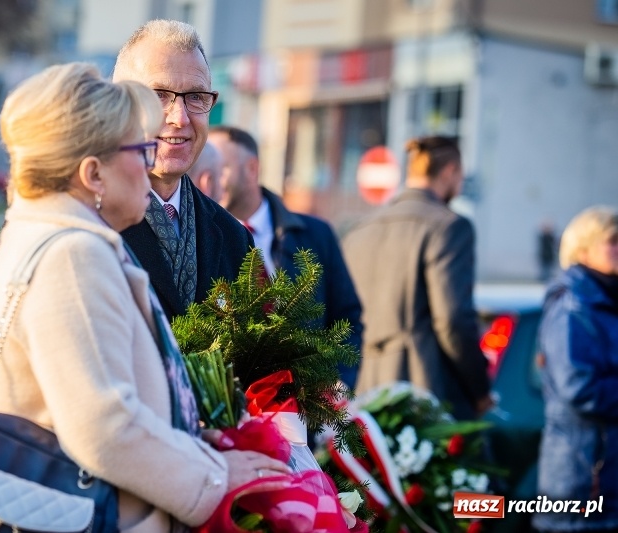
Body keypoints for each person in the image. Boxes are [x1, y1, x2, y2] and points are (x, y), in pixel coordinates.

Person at [0, 63, 289, 533]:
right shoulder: (71, 256)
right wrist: (213, 478)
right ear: (93, 174)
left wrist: (190, 444)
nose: (151, 156)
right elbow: (105, 428)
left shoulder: (53, 239)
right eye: (139, 147)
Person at [341, 136, 492, 420]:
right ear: (449, 172)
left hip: (363, 391)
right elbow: (454, 320)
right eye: (460, 175)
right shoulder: (449, 226)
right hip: (424, 393)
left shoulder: (359, 230)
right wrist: (480, 390)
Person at [112, 19, 254, 322]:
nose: (180, 117)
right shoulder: (78, 219)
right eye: (158, 95)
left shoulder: (234, 239)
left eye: (196, 97)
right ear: (119, 102)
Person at [209, 125, 363, 386]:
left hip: (313, 410)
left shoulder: (316, 235)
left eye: (220, 169)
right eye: (206, 171)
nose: (210, 181)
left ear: (251, 169)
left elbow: (347, 318)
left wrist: (337, 384)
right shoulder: (207, 242)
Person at [532, 206, 618, 533]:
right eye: (612, 240)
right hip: (581, 481)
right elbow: (580, 388)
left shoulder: (606, 299)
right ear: (582, 250)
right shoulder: (572, 304)